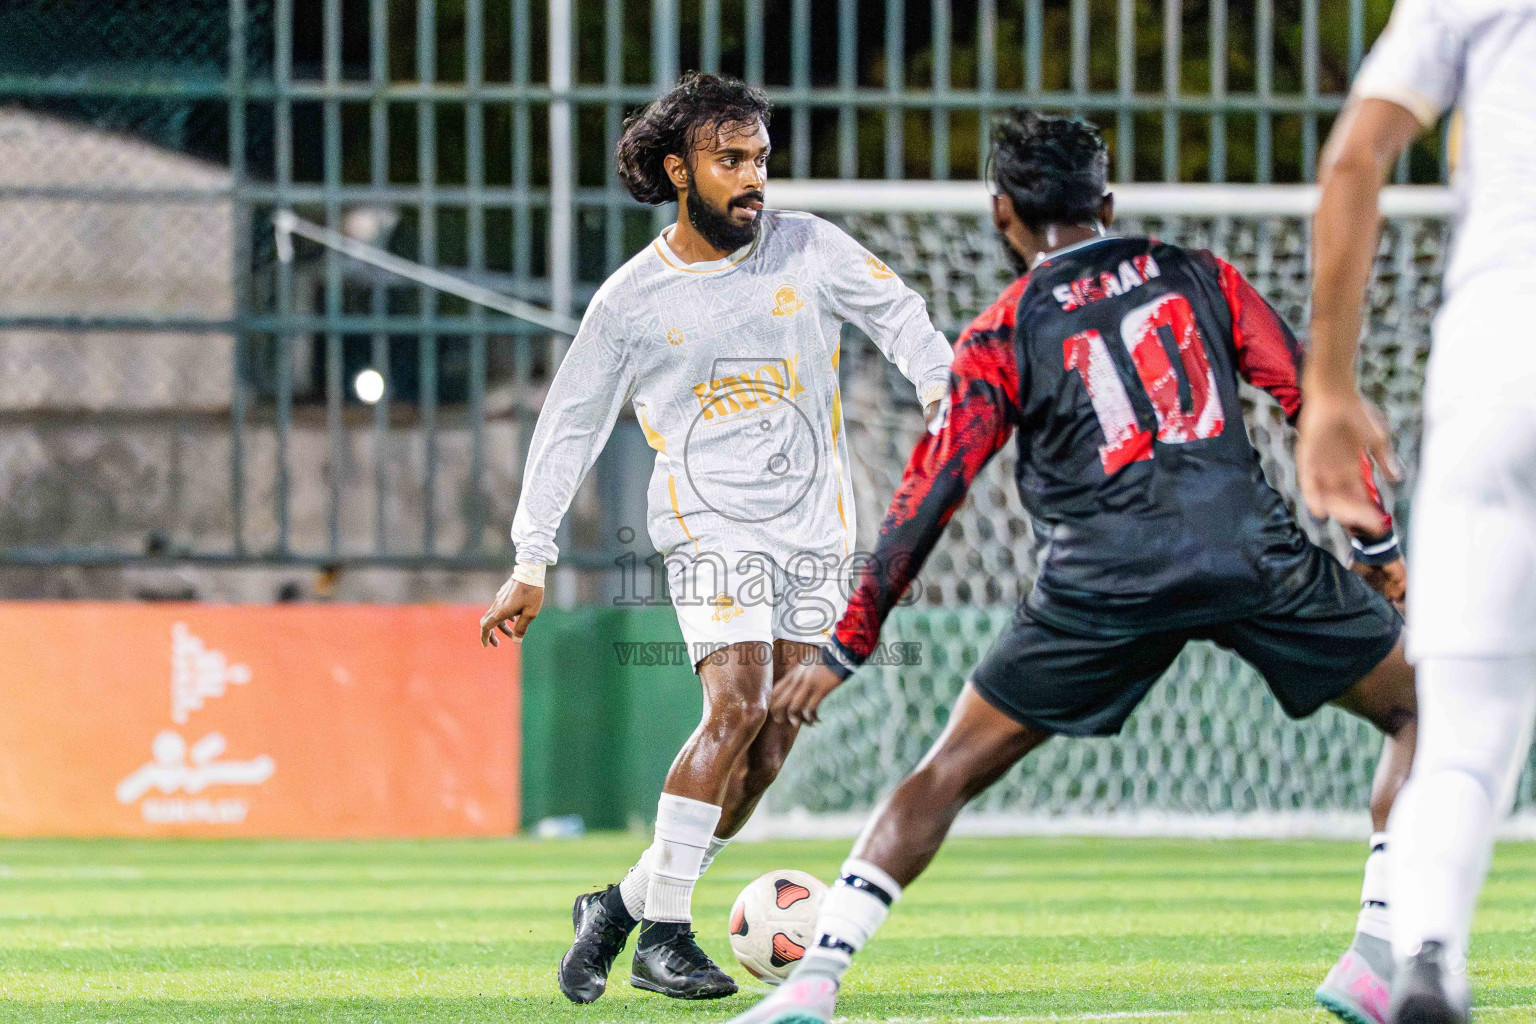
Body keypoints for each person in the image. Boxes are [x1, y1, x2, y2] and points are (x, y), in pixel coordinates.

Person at [724, 110, 1418, 1024]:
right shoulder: (1198, 274)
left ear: (1003, 212)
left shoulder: (1002, 332)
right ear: (1108, 201)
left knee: (948, 771)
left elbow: (927, 498)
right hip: (1248, 554)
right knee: (1426, 716)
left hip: (1098, 582)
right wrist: (1377, 547)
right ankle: (1374, 950)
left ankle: (815, 981)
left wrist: (842, 650)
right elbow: (1308, 389)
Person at [478, 71, 953, 1003]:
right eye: (728, 159)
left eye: (760, 159)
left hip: (816, 529)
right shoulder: (629, 302)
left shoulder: (807, 248)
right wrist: (531, 555)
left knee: (770, 746)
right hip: (708, 526)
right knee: (733, 711)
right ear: (676, 169)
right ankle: (663, 934)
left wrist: (942, 388)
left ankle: (616, 905)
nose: (752, 178)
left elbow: (898, 314)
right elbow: (568, 424)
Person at [1296, 3, 1536, 1021]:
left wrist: (1331, 388)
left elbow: (1355, 160)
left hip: (1500, 355)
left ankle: (1432, 950)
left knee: (1468, 735)